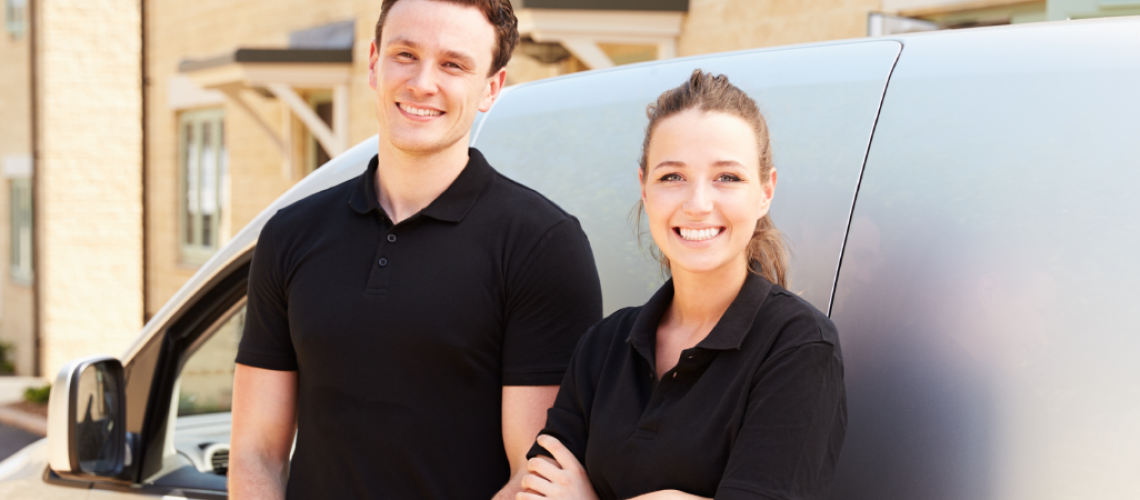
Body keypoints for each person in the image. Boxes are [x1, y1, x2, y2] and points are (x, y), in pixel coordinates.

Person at [227, 1, 603, 499]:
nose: (423, 82)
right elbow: (256, 452)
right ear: (373, 63)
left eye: (453, 64)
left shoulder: (542, 245)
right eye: (405, 54)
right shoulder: (291, 234)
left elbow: (535, 477)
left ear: (492, 87)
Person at [516, 70, 847, 500]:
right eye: (673, 176)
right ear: (644, 188)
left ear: (765, 191)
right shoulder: (603, 344)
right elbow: (539, 490)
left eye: (727, 177)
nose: (698, 204)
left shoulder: (800, 347)